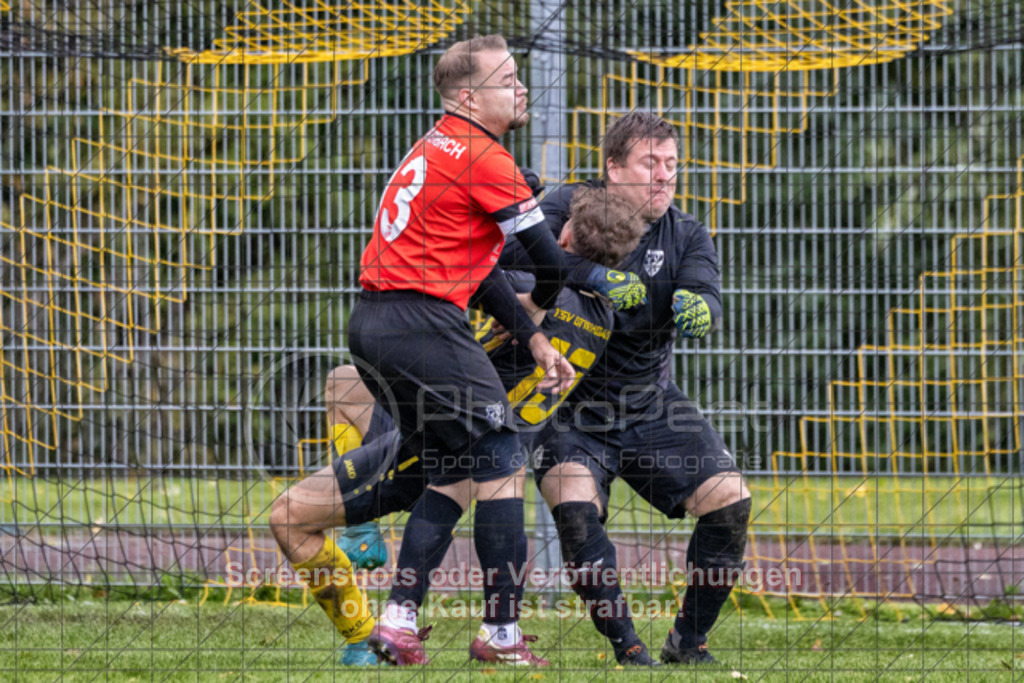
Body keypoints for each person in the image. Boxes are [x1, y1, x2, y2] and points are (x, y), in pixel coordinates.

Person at [269, 34, 645, 669]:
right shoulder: (487, 160)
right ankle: (498, 633)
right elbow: (546, 265)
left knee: (444, 463)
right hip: (423, 324)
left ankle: (390, 624)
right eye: (508, 81)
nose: (521, 89)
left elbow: (488, 270)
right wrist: (545, 301)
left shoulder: (438, 142)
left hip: (378, 322)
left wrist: (529, 331)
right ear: (470, 98)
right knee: (499, 457)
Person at [511, 112, 752, 667]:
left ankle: (688, 641)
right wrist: (591, 275)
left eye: (672, 165)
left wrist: (703, 309)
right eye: (650, 163)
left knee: (729, 500)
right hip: (567, 404)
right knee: (574, 508)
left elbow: (706, 291)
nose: (664, 176)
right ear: (613, 166)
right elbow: (518, 253)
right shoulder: (569, 204)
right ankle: (629, 647)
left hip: (648, 401)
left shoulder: (688, 233)